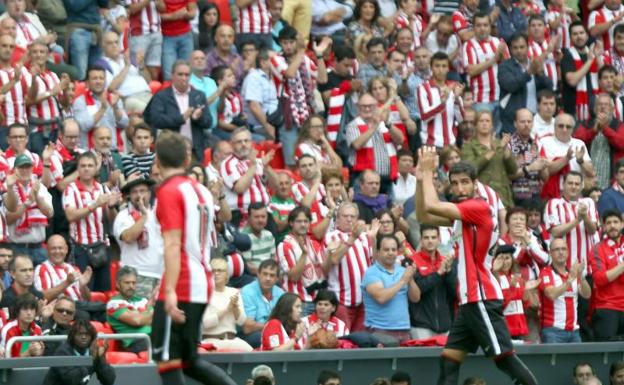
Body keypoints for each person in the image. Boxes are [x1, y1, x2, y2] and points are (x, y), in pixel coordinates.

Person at [416, 147, 538, 385]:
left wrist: (429, 172)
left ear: (475, 185)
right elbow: (423, 214)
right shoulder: (465, 213)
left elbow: (431, 205)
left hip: (480, 296)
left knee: (505, 359)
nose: (460, 189)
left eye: (465, 183)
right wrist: (421, 181)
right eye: (455, 184)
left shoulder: (478, 207)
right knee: (449, 361)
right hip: (470, 300)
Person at [150, 131, 236, 385]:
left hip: (182, 281)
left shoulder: (169, 191)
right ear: (186, 160)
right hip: (202, 277)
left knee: (167, 360)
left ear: (158, 159)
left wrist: (169, 291)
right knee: (189, 361)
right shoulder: (201, 190)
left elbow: (173, 243)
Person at [63, 152, 121, 292]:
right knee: (84, 291)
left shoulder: (103, 189)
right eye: (83, 166)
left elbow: (112, 219)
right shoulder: (71, 189)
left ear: (96, 168)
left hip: (102, 247)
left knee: (104, 292)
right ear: (78, 169)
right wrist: (94, 205)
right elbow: (70, 216)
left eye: (90, 165)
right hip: (81, 248)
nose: (86, 169)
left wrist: (112, 206)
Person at [324, 203, 378, 332]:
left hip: (363, 301)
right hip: (341, 301)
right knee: (344, 341)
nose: (349, 219)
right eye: (345, 216)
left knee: (360, 344)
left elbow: (374, 262)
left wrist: (374, 239)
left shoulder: (364, 237)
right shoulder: (331, 236)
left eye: (353, 216)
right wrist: (352, 237)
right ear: (337, 219)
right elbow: (335, 259)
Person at [144, 60, 212, 162]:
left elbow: (209, 122)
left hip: (194, 151)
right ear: (172, 75)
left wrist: (198, 118)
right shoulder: (162, 96)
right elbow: (155, 119)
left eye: (187, 75)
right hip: (171, 150)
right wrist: (180, 118)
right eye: (180, 74)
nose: (184, 78)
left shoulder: (199, 95)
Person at [362, 234, 420, 347]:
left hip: (404, 330)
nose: (390, 252)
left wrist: (410, 280)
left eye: (393, 249)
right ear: (378, 252)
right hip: (380, 331)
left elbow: (416, 298)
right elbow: (381, 298)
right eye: (386, 249)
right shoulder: (371, 273)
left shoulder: (402, 271)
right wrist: (403, 281)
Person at [113, 176, 162, 299]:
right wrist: (144, 216)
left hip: (159, 275)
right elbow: (128, 237)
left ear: (150, 194)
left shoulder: (157, 214)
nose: (139, 195)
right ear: (129, 196)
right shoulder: (123, 216)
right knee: (140, 313)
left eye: (142, 191)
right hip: (135, 276)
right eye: (135, 192)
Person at [276, 207, 329, 315]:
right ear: (291, 223)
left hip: (318, 302)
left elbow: (325, 271)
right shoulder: (285, 245)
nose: (303, 225)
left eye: (306, 221)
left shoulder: (314, 244)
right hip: (297, 303)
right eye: (299, 221)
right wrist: (304, 254)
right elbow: (294, 277)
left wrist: (331, 255)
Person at [539, 238, 591, 343]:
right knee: (554, 360)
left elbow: (587, 294)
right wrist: (569, 281)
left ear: (568, 252)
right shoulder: (546, 272)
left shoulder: (573, 273)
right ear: (550, 253)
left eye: (563, 249)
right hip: (553, 331)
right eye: (557, 249)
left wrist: (581, 277)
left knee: (578, 360)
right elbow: (551, 294)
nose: (561, 252)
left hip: (574, 331)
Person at [498, 33, 553, 133]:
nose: (519, 50)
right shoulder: (504, 67)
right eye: (515, 48)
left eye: (522, 47)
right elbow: (511, 86)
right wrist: (529, 72)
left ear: (527, 47)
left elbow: (549, 87)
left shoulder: (534, 63)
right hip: (514, 120)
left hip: (535, 118)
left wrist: (540, 74)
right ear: (510, 49)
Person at [461, 110, 517, 208]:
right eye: (481, 121)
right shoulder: (469, 146)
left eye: (487, 121)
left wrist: (506, 150)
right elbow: (470, 169)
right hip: (482, 196)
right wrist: (492, 151)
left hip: (503, 196)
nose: (484, 124)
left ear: (492, 125)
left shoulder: (500, 143)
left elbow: (513, 170)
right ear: (475, 125)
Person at [4, 154, 54, 264]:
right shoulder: (8, 188)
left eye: (27, 167)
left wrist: (38, 199)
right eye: (21, 167)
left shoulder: (39, 187)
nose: (25, 171)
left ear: (32, 169)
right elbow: (7, 219)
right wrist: (27, 203)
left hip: (38, 248)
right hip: (17, 248)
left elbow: (50, 213)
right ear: (14, 169)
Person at [544, 171, 599, 270]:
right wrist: (577, 220)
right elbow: (555, 232)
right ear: (563, 184)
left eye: (577, 184)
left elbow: (593, 230)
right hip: (563, 267)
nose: (573, 187)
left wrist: (585, 216)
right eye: (570, 183)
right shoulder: (553, 204)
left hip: (587, 266)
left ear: (582, 186)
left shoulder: (589, 202)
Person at [346, 93, 403, 188]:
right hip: (364, 181)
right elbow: (357, 145)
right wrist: (373, 127)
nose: (367, 109)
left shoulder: (385, 123)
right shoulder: (353, 125)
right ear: (358, 107)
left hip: (387, 178)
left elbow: (400, 140)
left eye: (370, 106)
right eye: (363, 106)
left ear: (376, 106)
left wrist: (388, 123)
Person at [221, 128, 275, 227]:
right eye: (239, 142)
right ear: (232, 145)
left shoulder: (259, 162)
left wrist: (267, 167)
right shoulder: (228, 164)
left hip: (264, 212)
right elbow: (239, 188)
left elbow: (275, 187)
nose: (243, 144)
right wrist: (253, 166)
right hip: (242, 214)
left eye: (246, 141)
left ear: (251, 143)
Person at [409, 225, 456, 339]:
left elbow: (454, 292)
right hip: (421, 326)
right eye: (426, 238)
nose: (430, 241)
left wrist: (449, 272)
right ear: (421, 240)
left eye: (433, 237)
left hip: (445, 326)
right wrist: (439, 273)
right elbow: (418, 289)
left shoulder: (445, 261)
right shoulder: (413, 261)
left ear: (439, 239)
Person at [42, 319, 115, 385]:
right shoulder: (63, 352)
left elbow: (109, 381)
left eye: (87, 334)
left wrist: (101, 358)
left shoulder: (93, 352)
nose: (84, 337)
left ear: (92, 337)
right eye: (80, 334)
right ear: (72, 336)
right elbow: (72, 380)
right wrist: (91, 360)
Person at [538, 114, 594, 200]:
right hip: (551, 194)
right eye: (561, 126)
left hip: (575, 193)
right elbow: (546, 172)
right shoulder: (544, 142)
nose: (564, 130)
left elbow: (591, 172)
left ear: (573, 129)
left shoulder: (579, 143)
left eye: (568, 127)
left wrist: (581, 161)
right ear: (554, 127)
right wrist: (566, 158)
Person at [26, 42, 69, 154]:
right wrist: (51, 92)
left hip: (55, 129)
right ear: (30, 55)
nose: (38, 55)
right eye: (35, 52)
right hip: (36, 130)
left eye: (42, 52)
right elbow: (26, 101)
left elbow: (64, 104)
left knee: (55, 164)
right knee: (40, 163)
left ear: (47, 55)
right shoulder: (24, 75)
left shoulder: (53, 75)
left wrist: (65, 89)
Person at [574, 93, 624, 190]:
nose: (603, 107)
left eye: (606, 105)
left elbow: (621, 143)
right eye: (600, 104)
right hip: (588, 178)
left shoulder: (620, 125)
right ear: (595, 108)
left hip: (613, 180)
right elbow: (577, 141)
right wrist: (593, 131)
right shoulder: (585, 124)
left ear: (613, 109)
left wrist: (604, 129)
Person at [73, 65, 129, 151]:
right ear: (87, 82)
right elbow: (83, 126)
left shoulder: (114, 99)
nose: (98, 81)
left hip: (112, 150)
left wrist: (115, 107)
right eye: (95, 78)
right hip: (90, 153)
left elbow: (124, 123)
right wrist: (102, 109)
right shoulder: (80, 101)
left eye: (101, 78)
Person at [201, 257, 251, 352]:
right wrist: (227, 309)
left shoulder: (234, 292)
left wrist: (235, 308)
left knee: (252, 353)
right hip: (211, 341)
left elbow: (242, 321)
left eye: (220, 270)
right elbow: (205, 323)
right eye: (213, 271)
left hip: (232, 340)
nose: (216, 274)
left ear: (226, 274)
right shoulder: (205, 293)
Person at [462, 11, 508, 113]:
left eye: (485, 25)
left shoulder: (499, 42)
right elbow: (471, 70)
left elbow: (508, 67)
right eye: (478, 25)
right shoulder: (469, 45)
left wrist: (502, 58)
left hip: (501, 97)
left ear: (490, 26)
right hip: (480, 100)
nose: (482, 28)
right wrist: (494, 59)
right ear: (473, 28)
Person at [491, 244, 539, 341]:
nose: (504, 262)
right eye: (501, 258)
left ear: (512, 260)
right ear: (495, 261)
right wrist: (512, 288)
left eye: (507, 258)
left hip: (520, 329)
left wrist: (527, 291)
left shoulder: (518, 278)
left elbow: (525, 305)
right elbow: (498, 305)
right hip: (503, 330)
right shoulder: (493, 279)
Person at [589, 210, 624, 341]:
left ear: (622, 224)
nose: (612, 226)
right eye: (608, 223)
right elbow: (600, 279)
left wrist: (614, 272)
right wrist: (622, 266)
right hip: (607, 307)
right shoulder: (598, 248)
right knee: (606, 355)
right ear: (603, 227)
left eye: (616, 222)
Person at [417, 52, 464, 149]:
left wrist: (456, 99)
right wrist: (442, 103)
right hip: (430, 144)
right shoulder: (423, 88)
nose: (440, 70)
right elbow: (424, 116)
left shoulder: (454, 87)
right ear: (431, 68)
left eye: (444, 66)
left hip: (450, 144)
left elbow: (461, 119)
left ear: (448, 68)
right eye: (437, 66)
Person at [98, 31, 152, 115]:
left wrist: (141, 65)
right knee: (151, 112)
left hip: (147, 94)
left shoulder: (128, 57)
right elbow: (110, 88)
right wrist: (127, 66)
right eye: (110, 43)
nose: (114, 46)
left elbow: (149, 81)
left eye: (116, 42)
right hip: (128, 98)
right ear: (103, 46)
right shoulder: (102, 64)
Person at [561, 21, 604, 122]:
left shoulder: (593, 53)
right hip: (575, 110)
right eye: (575, 34)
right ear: (570, 37)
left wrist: (597, 57)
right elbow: (572, 81)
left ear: (587, 35)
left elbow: (605, 77)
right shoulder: (567, 56)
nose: (579, 36)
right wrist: (589, 61)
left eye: (581, 33)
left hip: (595, 107)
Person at [106, 266, 153, 353]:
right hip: (136, 342)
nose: (131, 286)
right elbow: (136, 321)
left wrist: (140, 315)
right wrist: (147, 314)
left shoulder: (142, 300)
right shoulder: (113, 303)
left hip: (151, 337)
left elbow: (156, 318)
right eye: (127, 283)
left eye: (133, 283)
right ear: (118, 284)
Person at [34, 235, 92, 305]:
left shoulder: (74, 269)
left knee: (101, 309)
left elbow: (88, 299)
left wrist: (83, 287)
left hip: (80, 306)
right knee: (85, 315)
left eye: (60, 248)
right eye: (53, 248)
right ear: (47, 251)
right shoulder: (42, 268)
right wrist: (67, 282)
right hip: (60, 310)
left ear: (66, 249)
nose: (57, 251)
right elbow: (42, 297)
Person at [240, 259, 284, 349]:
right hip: (251, 335)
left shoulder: (280, 293)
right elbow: (248, 327)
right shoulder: (248, 291)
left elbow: (285, 322)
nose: (268, 278)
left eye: (272, 275)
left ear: (277, 279)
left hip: (273, 332)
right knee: (263, 337)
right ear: (258, 274)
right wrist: (271, 327)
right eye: (265, 274)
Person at [509, 109, 549, 206]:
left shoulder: (538, 144)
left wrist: (542, 167)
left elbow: (546, 178)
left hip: (535, 197)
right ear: (515, 123)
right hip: (515, 198)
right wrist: (530, 168)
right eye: (522, 121)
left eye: (529, 121)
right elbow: (507, 175)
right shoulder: (508, 144)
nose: (526, 124)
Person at [241, 48, 280, 142]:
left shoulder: (273, 78)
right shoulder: (254, 77)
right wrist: (268, 128)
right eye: (274, 59)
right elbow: (254, 106)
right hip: (262, 126)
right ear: (263, 62)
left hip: (277, 121)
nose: (279, 62)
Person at [157, 0, 195, 80]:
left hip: (185, 35)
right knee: (169, 75)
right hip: (167, 37)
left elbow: (193, 14)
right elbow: (156, 16)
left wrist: (186, 14)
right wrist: (173, 16)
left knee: (188, 72)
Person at [0, 293, 43, 357]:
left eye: (32, 309)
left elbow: (40, 358)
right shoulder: (7, 330)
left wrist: (40, 352)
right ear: (17, 311)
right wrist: (27, 353)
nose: (29, 313)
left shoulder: (38, 329)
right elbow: (4, 361)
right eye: (25, 309)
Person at [205, 25, 245, 90]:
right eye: (223, 36)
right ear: (216, 38)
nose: (226, 40)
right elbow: (208, 85)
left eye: (230, 37)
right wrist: (231, 72)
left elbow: (241, 84)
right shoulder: (208, 59)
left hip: (236, 96)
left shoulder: (238, 59)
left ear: (233, 39)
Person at [527, 15, 559, 91]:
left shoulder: (551, 42)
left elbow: (560, 61)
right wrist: (547, 52)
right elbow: (534, 65)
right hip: (537, 90)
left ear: (545, 28)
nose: (536, 28)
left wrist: (558, 49)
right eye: (533, 25)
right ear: (529, 29)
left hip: (555, 88)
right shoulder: (526, 45)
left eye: (539, 25)